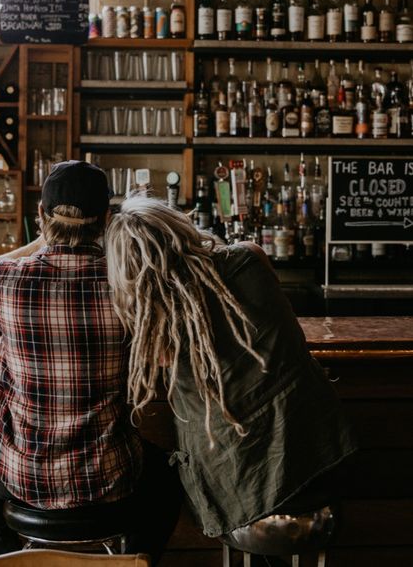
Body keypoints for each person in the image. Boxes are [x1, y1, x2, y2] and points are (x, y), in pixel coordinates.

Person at [0, 161, 181, 562]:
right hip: (110, 476)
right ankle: (132, 563)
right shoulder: (129, 286)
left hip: (25, 476)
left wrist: (37, 245)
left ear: (41, 216)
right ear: (107, 219)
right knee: (168, 479)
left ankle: (14, 562)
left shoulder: (6, 279)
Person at [106, 195, 357, 548]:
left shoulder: (158, 324)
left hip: (243, 487)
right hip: (324, 457)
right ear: (181, 226)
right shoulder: (250, 256)